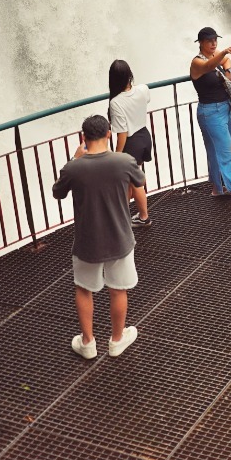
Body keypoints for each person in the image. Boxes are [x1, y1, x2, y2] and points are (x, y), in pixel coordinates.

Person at [52, 114, 148, 358]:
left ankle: (87, 343)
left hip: (87, 240)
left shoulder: (74, 168)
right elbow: (140, 180)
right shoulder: (124, 161)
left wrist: (74, 158)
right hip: (120, 237)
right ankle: (116, 340)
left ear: (84, 138)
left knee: (84, 288)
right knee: (118, 289)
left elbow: (58, 192)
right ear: (108, 134)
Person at [191, 27, 231, 203]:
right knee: (227, 151)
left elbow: (228, 78)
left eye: (215, 40)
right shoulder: (197, 62)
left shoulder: (217, 58)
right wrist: (224, 56)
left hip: (225, 107)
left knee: (216, 150)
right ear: (201, 43)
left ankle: (218, 188)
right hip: (210, 112)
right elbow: (208, 67)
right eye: (209, 41)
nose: (214, 43)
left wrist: (227, 64)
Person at [107, 58, 153, 228]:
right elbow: (144, 101)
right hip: (144, 136)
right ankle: (122, 216)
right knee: (130, 180)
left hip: (131, 142)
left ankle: (143, 217)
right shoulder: (143, 89)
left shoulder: (116, 102)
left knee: (135, 182)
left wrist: (117, 156)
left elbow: (122, 134)